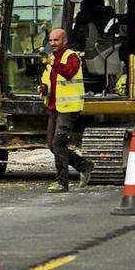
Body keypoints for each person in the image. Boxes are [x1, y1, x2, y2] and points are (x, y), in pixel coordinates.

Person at [39, 28, 95, 193]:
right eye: (50, 40)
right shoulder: (52, 60)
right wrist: (43, 88)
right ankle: (84, 165)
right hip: (54, 107)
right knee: (52, 145)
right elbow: (47, 80)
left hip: (69, 108)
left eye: (56, 40)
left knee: (59, 143)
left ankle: (62, 183)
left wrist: (52, 63)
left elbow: (68, 73)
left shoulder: (71, 56)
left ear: (64, 41)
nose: (52, 43)